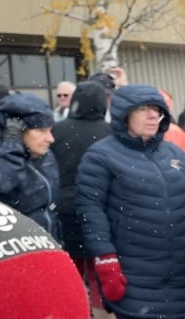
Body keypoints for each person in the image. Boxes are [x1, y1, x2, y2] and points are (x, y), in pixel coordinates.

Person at [76, 85, 185, 318]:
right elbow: (91, 210)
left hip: (179, 274)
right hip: (136, 274)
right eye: (144, 109)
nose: (153, 115)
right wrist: (106, 259)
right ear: (124, 113)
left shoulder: (174, 155)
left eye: (157, 109)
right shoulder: (101, 156)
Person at [50, 81, 112, 317]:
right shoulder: (110, 132)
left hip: (65, 208)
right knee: (99, 269)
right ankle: (101, 311)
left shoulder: (58, 130)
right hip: (100, 208)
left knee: (70, 268)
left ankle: (74, 310)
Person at [0, 92, 60, 239]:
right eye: (41, 130)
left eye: (50, 130)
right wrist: (13, 145)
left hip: (46, 243)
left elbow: (50, 208)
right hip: (15, 245)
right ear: (18, 129)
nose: (50, 138)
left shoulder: (45, 155)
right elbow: (3, 183)